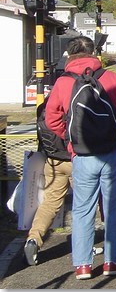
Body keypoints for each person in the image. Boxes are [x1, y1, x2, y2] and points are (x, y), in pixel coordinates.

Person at [45, 36, 116, 280]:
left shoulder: (63, 83)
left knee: (82, 210)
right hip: (112, 153)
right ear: (94, 53)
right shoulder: (110, 78)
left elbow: (52, 120)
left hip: (82, 155)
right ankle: (114, 262)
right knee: (113, 207)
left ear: (69, 56)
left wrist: (71, 141)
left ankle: (82, 266)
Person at [23, 101, 73, 266]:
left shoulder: (43, 108)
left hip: (52, 162)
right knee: (84, 204)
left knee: (50, 203)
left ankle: (33, 239)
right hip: (75, 160)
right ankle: (84, 247)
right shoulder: (73, 104)